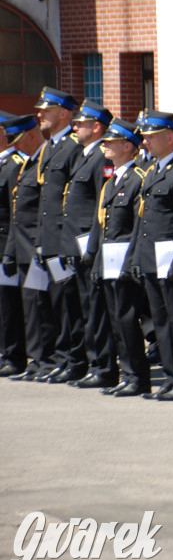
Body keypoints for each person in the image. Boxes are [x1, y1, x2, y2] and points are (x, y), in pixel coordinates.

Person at [129, 109, 173, 401]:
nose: (145, 143)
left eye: (151, 137)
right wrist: (136, 257)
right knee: (161, 321)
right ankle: (171, 378)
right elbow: (143, 220)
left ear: (170, 137)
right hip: (150, 256)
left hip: (170, 257)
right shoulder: (152, 170)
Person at [90, 120, 148, 396]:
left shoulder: (138, 178)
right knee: (115, 320)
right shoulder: (113, 181)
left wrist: (132, 260)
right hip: (109, 260)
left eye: (111, 142)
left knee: (127, 320)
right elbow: (103, 225)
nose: (105, 145)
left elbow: (138, 224)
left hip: (125, 260)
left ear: (128, 147)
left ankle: (137, 377)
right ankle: (127, 374)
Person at [60, 101, 114, 385]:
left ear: (96, 127)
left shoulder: (100, 159)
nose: (75, 127)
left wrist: (91, 246)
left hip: (88, 245)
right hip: (75, 244)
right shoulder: (84, 156)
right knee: (80, 308)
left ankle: (102, 367)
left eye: (80, 123)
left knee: (95, 309)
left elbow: (101, 207)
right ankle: (88, 362)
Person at [34, 87, 86, 382]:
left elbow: (74, 200)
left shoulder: (72, 146)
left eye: (47, 109)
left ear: (64, 113)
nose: (40, 114)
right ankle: (62, 357)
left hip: (65, 239)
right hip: (49, 239)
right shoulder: (50, 147)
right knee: (56, 302)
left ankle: (74, 360)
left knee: (70, 303)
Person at [3, 114, 56, 380]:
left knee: (40, 308)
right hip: (23, 247)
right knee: (30, 308)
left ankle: (44, 361)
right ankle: (36, 361)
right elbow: (17, 212)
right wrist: (11, 251)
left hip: (36, 246)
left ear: (31, 136)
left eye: (18, 140)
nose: (15, 146)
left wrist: (40, 245)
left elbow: (43, 210)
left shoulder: (42, 161)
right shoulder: (28, 164)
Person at [0, 113, 27, 377]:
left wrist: (10, 250)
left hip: (5, 244)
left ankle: (13, 355)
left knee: (9, 305)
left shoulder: (14, 164)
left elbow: (15, 211)